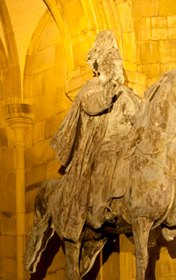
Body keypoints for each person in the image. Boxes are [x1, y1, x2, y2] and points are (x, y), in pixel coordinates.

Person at [47, 31, 141, 244]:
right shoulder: (92, 88)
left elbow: (138, 115)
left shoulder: (125, 92)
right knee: (107, 160)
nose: (117, 68)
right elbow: (91, 105)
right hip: (103, 143)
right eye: (112, 63)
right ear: (102, 65)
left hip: (127, 142)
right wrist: (108, 93)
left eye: (118, 64)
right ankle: (98, 209)